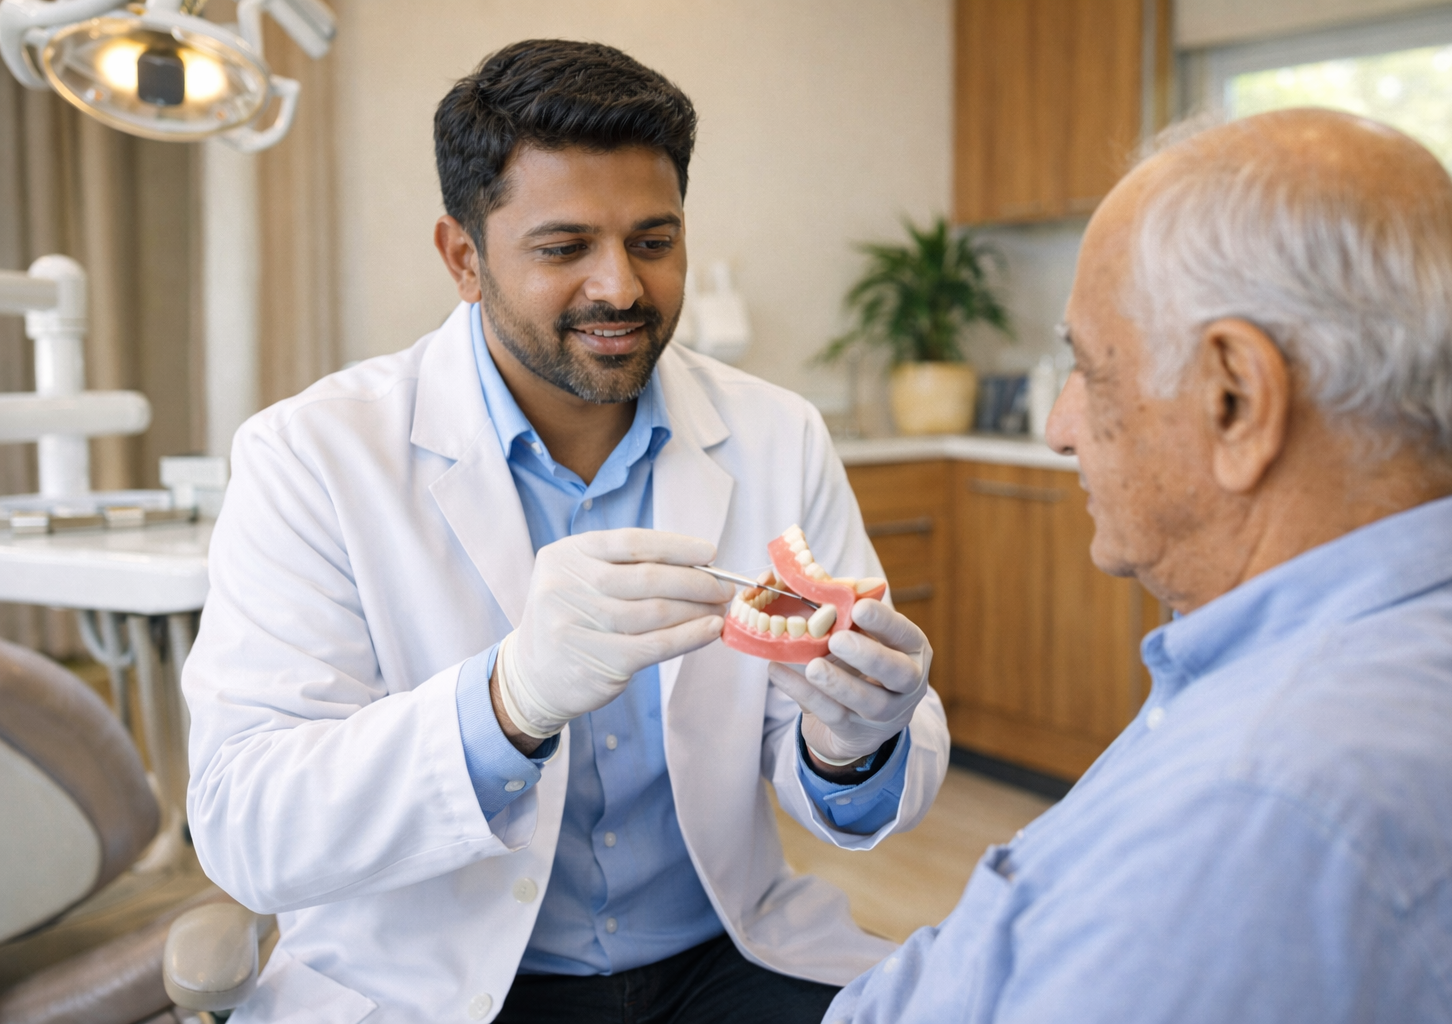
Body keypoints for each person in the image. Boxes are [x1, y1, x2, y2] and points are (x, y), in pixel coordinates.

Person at [181, 39, 948, 1024]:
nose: (620, 287)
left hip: (723, 955)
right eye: (564, 248)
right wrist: (506, 702)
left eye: (654, 240)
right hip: (437, 984)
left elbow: (866, 766)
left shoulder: (774, 432)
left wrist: (852, 744)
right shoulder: (311, 456)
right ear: (464, 257)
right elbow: (248, 825)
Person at [825, 109, 1452, 1024]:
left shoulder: (1249, 810)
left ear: (1235, 398)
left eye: (1090, 369)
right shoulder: (1423, 640)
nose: (1059, 428)